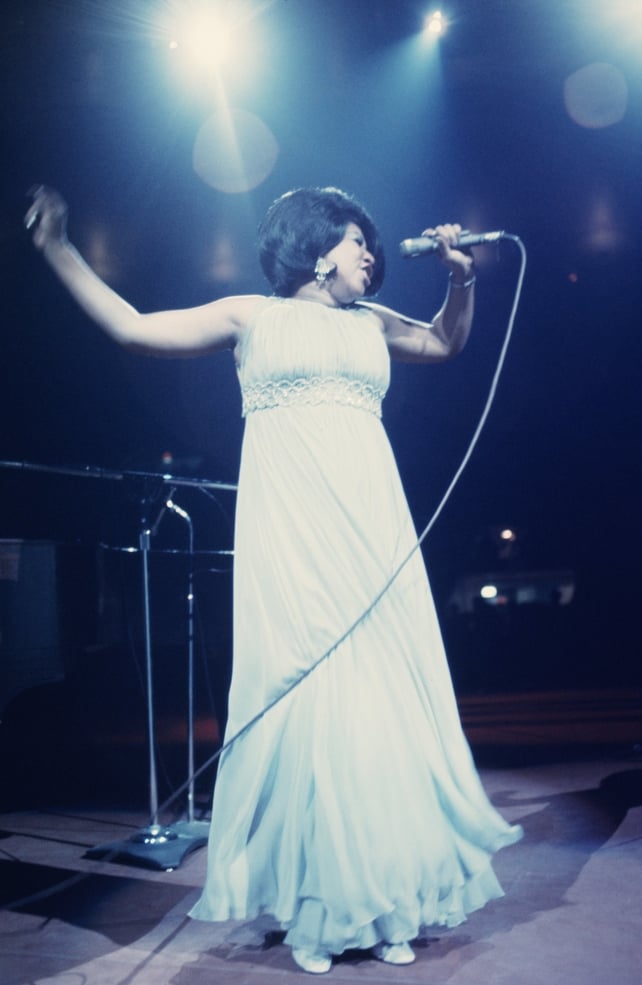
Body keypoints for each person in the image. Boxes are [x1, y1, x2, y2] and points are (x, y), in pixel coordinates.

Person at [25, 184, 522, 975]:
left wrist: (461, 278)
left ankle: (389, 901)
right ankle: (322, 909)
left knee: (377, 705)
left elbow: (445, 344)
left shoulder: (374, 323)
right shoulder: (249, 316)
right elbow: (132, 327)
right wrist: (56, 247)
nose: (372, 256)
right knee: (310, 703)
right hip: (293, 536)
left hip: (371, 527)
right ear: (320, 248)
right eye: (360, 242)